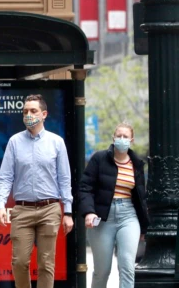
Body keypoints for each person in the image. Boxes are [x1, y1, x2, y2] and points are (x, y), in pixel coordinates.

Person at [0, 94, 74, 288]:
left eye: (33, 111)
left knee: (46, 264)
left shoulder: (56, 142)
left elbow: (64, 179)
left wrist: (68, 211)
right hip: (22, 210)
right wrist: (0, 205)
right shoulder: (14, 142)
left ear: (44, 114)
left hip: (50, 208)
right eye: (25, 112)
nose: (28, 115)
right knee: (20, 262)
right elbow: (5, 177)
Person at [79, 122, 148, 288]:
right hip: (103, 217)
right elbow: (85, 187)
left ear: (132, 140)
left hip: (129, 216)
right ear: (113, 138)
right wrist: (89, 212)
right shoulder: (99, 159)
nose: (122, 139)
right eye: (119, 136)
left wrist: (143, 228)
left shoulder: (137, 164)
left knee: (127, 266)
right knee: (102, 270)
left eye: (126, 137)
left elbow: (140, 198)